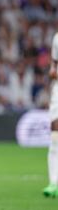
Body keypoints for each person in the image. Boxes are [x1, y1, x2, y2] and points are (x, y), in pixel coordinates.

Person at [44, 33, 58, 197]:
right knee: (55, 133)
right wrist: (52, 71)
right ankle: (53, 182)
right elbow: (54, 66)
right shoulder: (56, 38)